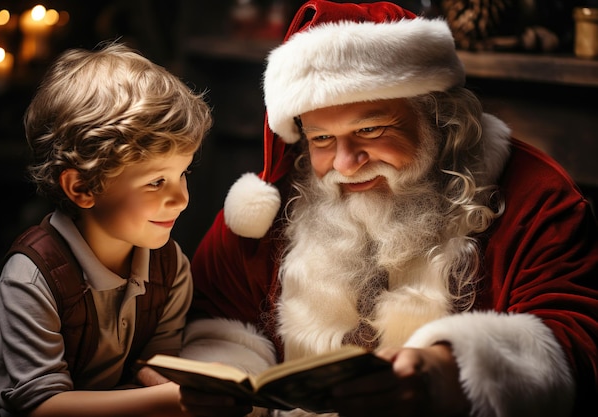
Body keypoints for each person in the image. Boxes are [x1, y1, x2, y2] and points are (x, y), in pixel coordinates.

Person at [177, 1, 598, 416]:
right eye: (322, 139)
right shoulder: (274, 203)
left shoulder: (536, 196)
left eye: (370, 129)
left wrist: (446, 374)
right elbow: (214, 312)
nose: (345, 164)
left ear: (438, 118)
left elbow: (578, 344)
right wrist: (224, 377)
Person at [0, 42, 226, 417]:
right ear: (82, 188)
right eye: (155, 182)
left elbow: (154, 360)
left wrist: (193, 386)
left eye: (183, 173)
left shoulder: (169, 265)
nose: (180, 199)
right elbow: (40, 405)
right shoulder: (31, 278)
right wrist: (169, 401)